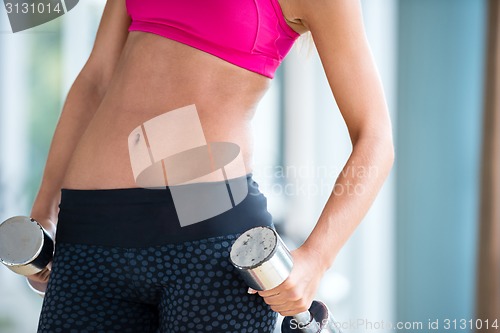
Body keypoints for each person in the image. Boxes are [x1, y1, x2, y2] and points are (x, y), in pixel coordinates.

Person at [28, 0, 394, 331]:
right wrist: (44, 209)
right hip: (91, 229)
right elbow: (96, 80)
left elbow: (375, 139)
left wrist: (316, 259)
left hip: (210, 246)